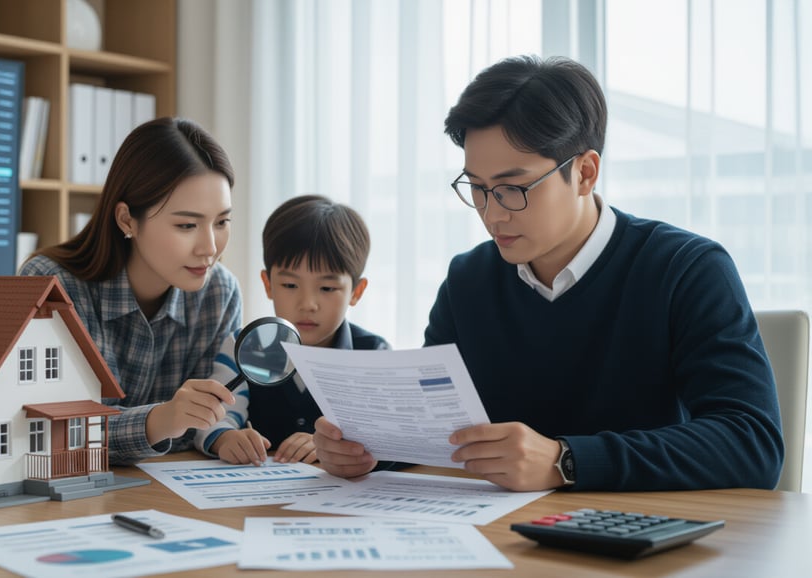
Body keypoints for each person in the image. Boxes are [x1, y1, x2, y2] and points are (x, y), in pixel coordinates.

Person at [313, 55, 784, 492]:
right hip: (498, 537)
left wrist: (566, 461)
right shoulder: (468, 280)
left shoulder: (687, 270)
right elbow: (439, 431)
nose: (492, 214)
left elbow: (752, 443)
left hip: (638, 536)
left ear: (584, 173)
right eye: (477, 188)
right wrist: (370, 450)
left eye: (513, 189)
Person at [20, 117, 242, 464]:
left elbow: (206, 424)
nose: (210, 247)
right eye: (187, 225)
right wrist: (161, 421)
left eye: (222, 222)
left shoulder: (220, 293)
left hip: (165, 494)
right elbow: (47, 431)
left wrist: (225, 433)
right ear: (126, 220)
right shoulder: (50, 286)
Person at [194, 195, 390, 465]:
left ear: (356, 291)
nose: (307, 304)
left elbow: (386, 433)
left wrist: (329, 445)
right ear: (268, 284)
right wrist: (226, 438)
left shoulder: (373, 355)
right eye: (290, 285)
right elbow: (210, 415)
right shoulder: (245, 346)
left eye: (327, 288)